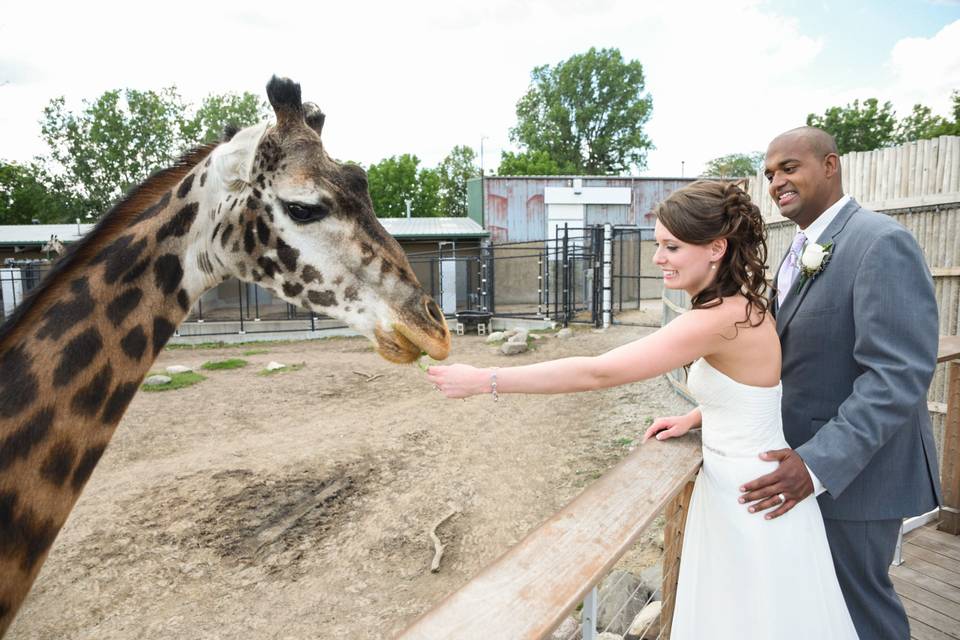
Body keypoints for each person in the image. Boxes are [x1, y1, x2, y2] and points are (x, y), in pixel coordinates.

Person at [427, 180, 858, 639]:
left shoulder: (717, 320)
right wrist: (698, 415)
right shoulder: (745, 305)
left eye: (671, 246)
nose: (657, 259)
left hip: (751, 498)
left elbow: (599, 373)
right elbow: (755, 390)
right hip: (745, 486)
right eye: (658, 245)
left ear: (716, 248)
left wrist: (486, 380)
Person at [726, 126, 939, 639]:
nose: (776, 181)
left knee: (860, 612)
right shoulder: (801, 248)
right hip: (804, 468)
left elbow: (897, 375)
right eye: (770, 173)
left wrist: (817, 465)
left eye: (789, 167)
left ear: (830, 165)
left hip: (857, 479)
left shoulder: (880, 241)